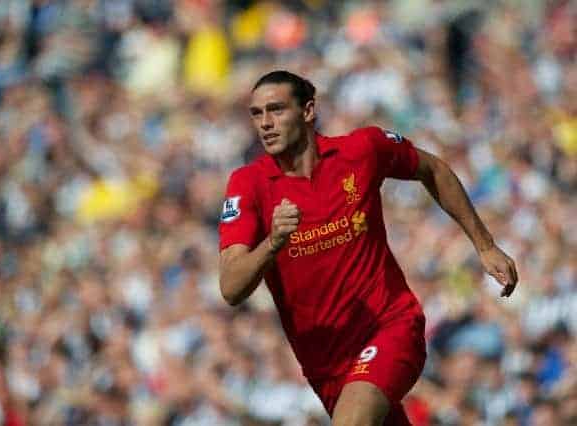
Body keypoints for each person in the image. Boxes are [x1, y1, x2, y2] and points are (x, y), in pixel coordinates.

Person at [218, 70, 519, 426]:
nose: (265, 123)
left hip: (390, 326)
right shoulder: (248, 184)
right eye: (257, 113)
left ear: (308, 111)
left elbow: (433, 169)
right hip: (326, 365)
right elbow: (231, 288)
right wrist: (273, 243)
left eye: (277, 110)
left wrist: (485, 245)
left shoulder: (361, 150)